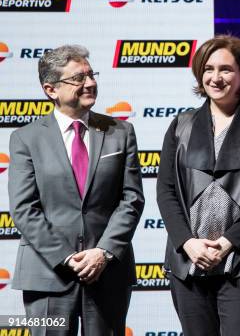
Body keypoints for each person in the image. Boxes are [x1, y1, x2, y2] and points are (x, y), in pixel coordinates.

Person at [156, 35, 240, 336]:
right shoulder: (181, 124)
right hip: (188, 261)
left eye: (226, 69)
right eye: (208, 68)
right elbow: (165, 191)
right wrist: (187, 243)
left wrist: (229, 241)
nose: (215, 78)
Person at [8, 45, 145, 335]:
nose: (91, 83)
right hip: (47, 274)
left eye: (91, 74)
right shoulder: (25, 138)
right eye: (78, 78)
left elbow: (131, 199)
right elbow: (24, 209)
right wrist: (67, 258)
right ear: (51, 89)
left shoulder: (120, 132)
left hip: (107, 273)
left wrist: (103, 252)